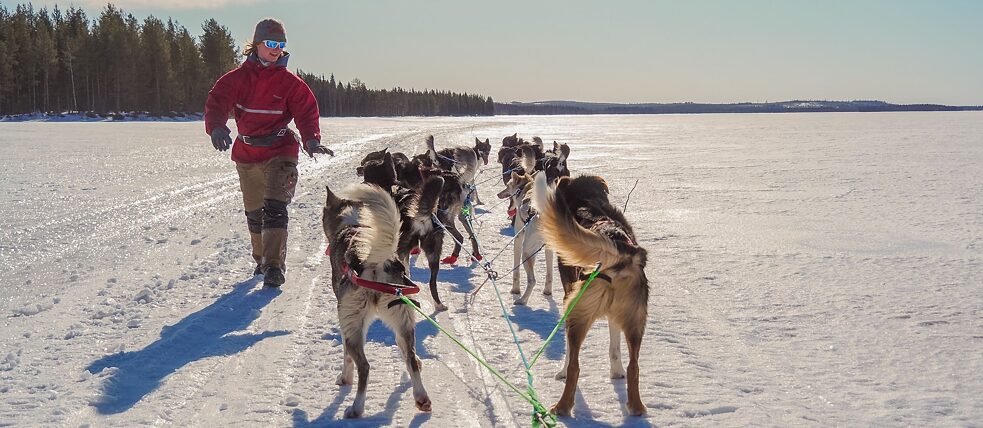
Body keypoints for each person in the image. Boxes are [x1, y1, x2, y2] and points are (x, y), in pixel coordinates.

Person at [204, 17, 333, 288]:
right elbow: (217, 102)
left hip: (281, 150)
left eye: (281, 45)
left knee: (275, 207)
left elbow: (306, 111)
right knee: (255, 212)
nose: (276, 49)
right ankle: (262, 260)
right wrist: (216, 126)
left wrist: (311, 140)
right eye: (271, 43)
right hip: (248, 152)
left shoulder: (291, 83)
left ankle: (274, 266)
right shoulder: (236, 79)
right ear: (257, 44)